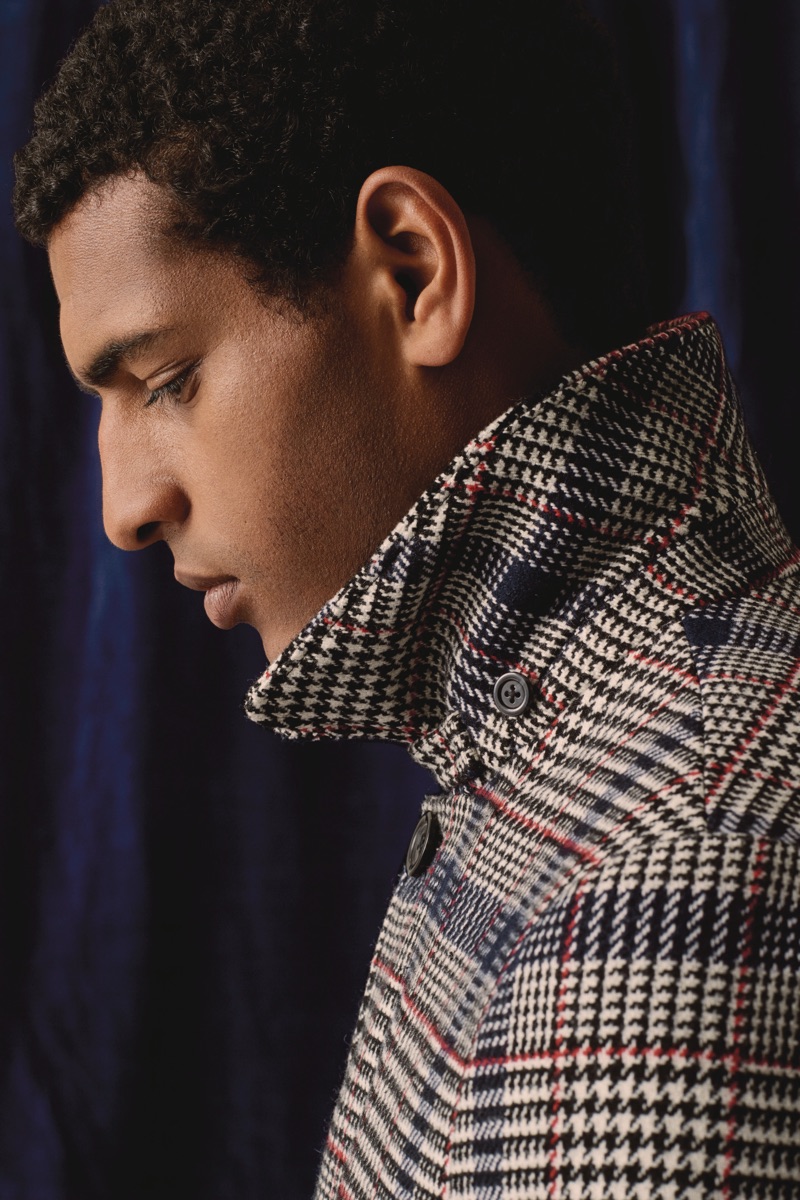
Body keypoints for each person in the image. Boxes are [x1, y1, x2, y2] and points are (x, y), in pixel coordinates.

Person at [13, 0, 800, 1195]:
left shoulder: (674, 868)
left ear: (414, 272)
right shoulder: (561, 747)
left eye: (167, 380)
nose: (124, 507)